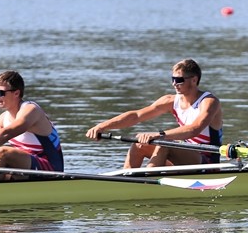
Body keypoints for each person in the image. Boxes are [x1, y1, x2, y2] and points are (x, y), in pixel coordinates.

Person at [85, 58, 222, 168]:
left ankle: (147, 182)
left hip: (206, 160)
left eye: (179, 80)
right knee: (139, 144)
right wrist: (103, 126)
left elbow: (194, 129)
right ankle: (127, 179)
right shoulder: (170, 100)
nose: (174, 84)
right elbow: (136, 116)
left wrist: (159, 135)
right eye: (172, 79)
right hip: (183, 156)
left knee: (164, 142)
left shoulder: (209, 102)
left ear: (194, 80)